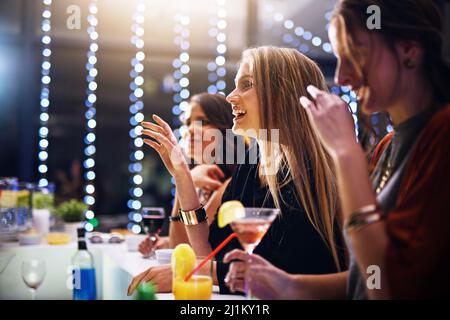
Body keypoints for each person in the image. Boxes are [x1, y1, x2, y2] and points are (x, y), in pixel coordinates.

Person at [225, 0, 450, 299]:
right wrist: (286, 285)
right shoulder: (387, 148)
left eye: (355, 53)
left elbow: (388, 287)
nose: (342, 76)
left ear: (409, 50)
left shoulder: (442, 137)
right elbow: (363, 279)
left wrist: (345, 153)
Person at [128, 46, 346, 295]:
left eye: (246, 84)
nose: (230, 96)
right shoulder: (252, 162)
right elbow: (206, 251)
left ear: (282, 93)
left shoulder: (323, 172)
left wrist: (201, 272)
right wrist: (182, 176)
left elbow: (290, 274)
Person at [138, 93, 241, 257]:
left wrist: (184, 179)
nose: (191, 129)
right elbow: (179, 248)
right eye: (187, 123)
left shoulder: (231, 185)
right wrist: (164, 241)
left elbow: (187, 252)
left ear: (227, 130)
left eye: (204, 122)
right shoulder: (201, 183)